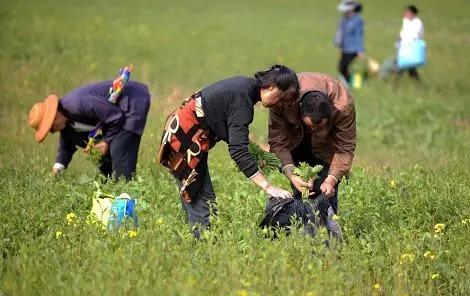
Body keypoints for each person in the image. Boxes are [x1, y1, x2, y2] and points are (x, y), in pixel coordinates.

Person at [158, 65, 299, 237]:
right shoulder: (243, 100)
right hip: (186, 140)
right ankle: (203, 251)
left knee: (200, 199)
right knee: (204, 205)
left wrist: (257, 153)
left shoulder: (244, 87)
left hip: (180, 134)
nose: (280, 104)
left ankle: (196, 241)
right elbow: (237, 150)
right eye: (283, 98)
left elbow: (229, 131)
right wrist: (268, 186)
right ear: (272, 87)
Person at [268, 72, 356, 214]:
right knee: (300, 191)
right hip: (295, 140)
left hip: (326, 147)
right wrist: (291, 173)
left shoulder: (343, 106)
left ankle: (326, 231)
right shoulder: (283, 98)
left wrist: (331, 180)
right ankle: (300, 225)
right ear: (300, 110)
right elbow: (278, 141)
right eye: (310, 126)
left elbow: (345, 147)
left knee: (326, 196)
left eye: (319, 127)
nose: (313, 130)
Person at [28, 80, 151, 181]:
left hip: (132, 101)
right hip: (115, 116)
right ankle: (108, 188)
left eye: (50, 129)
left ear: (54, 119)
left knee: (120, 149)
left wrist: (107, 141)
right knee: (98, 154)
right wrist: (58, 168)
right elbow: (67, 142)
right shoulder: (65, 119)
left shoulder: (78, 104)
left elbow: (116, 116)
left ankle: (127, 196)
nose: (52, 132)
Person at [334, 1, 365, 84]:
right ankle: (347, 82)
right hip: (345, 48)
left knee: (344, 67)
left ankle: (349, 83)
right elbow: (341, 33)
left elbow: (359, 36)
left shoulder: (358, 20)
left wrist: (360, 50)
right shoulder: (344, 19)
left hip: (353, 49)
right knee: (341, 67)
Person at [398, 5, 424, 80]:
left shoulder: (418, 23)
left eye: (407, 12)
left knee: (402, 66)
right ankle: (418, 84)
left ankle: (394, 85)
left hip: (412, 48)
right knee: (409, 67)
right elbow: (403, 32)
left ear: (413, 13)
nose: (405, 13)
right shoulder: (405, 21)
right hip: (403, 47)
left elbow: (415, 36)